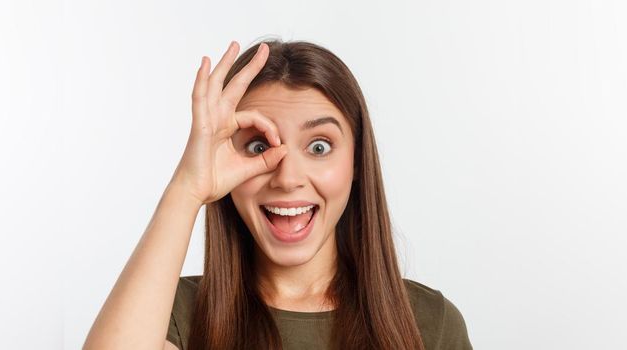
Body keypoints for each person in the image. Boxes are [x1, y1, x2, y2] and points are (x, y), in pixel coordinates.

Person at [83, 39, 472, 350]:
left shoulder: (429, 323)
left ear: (356, 164)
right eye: (257, 147)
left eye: (319, 147)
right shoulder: (174, 314)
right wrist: (188, 187)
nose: (287, 178)